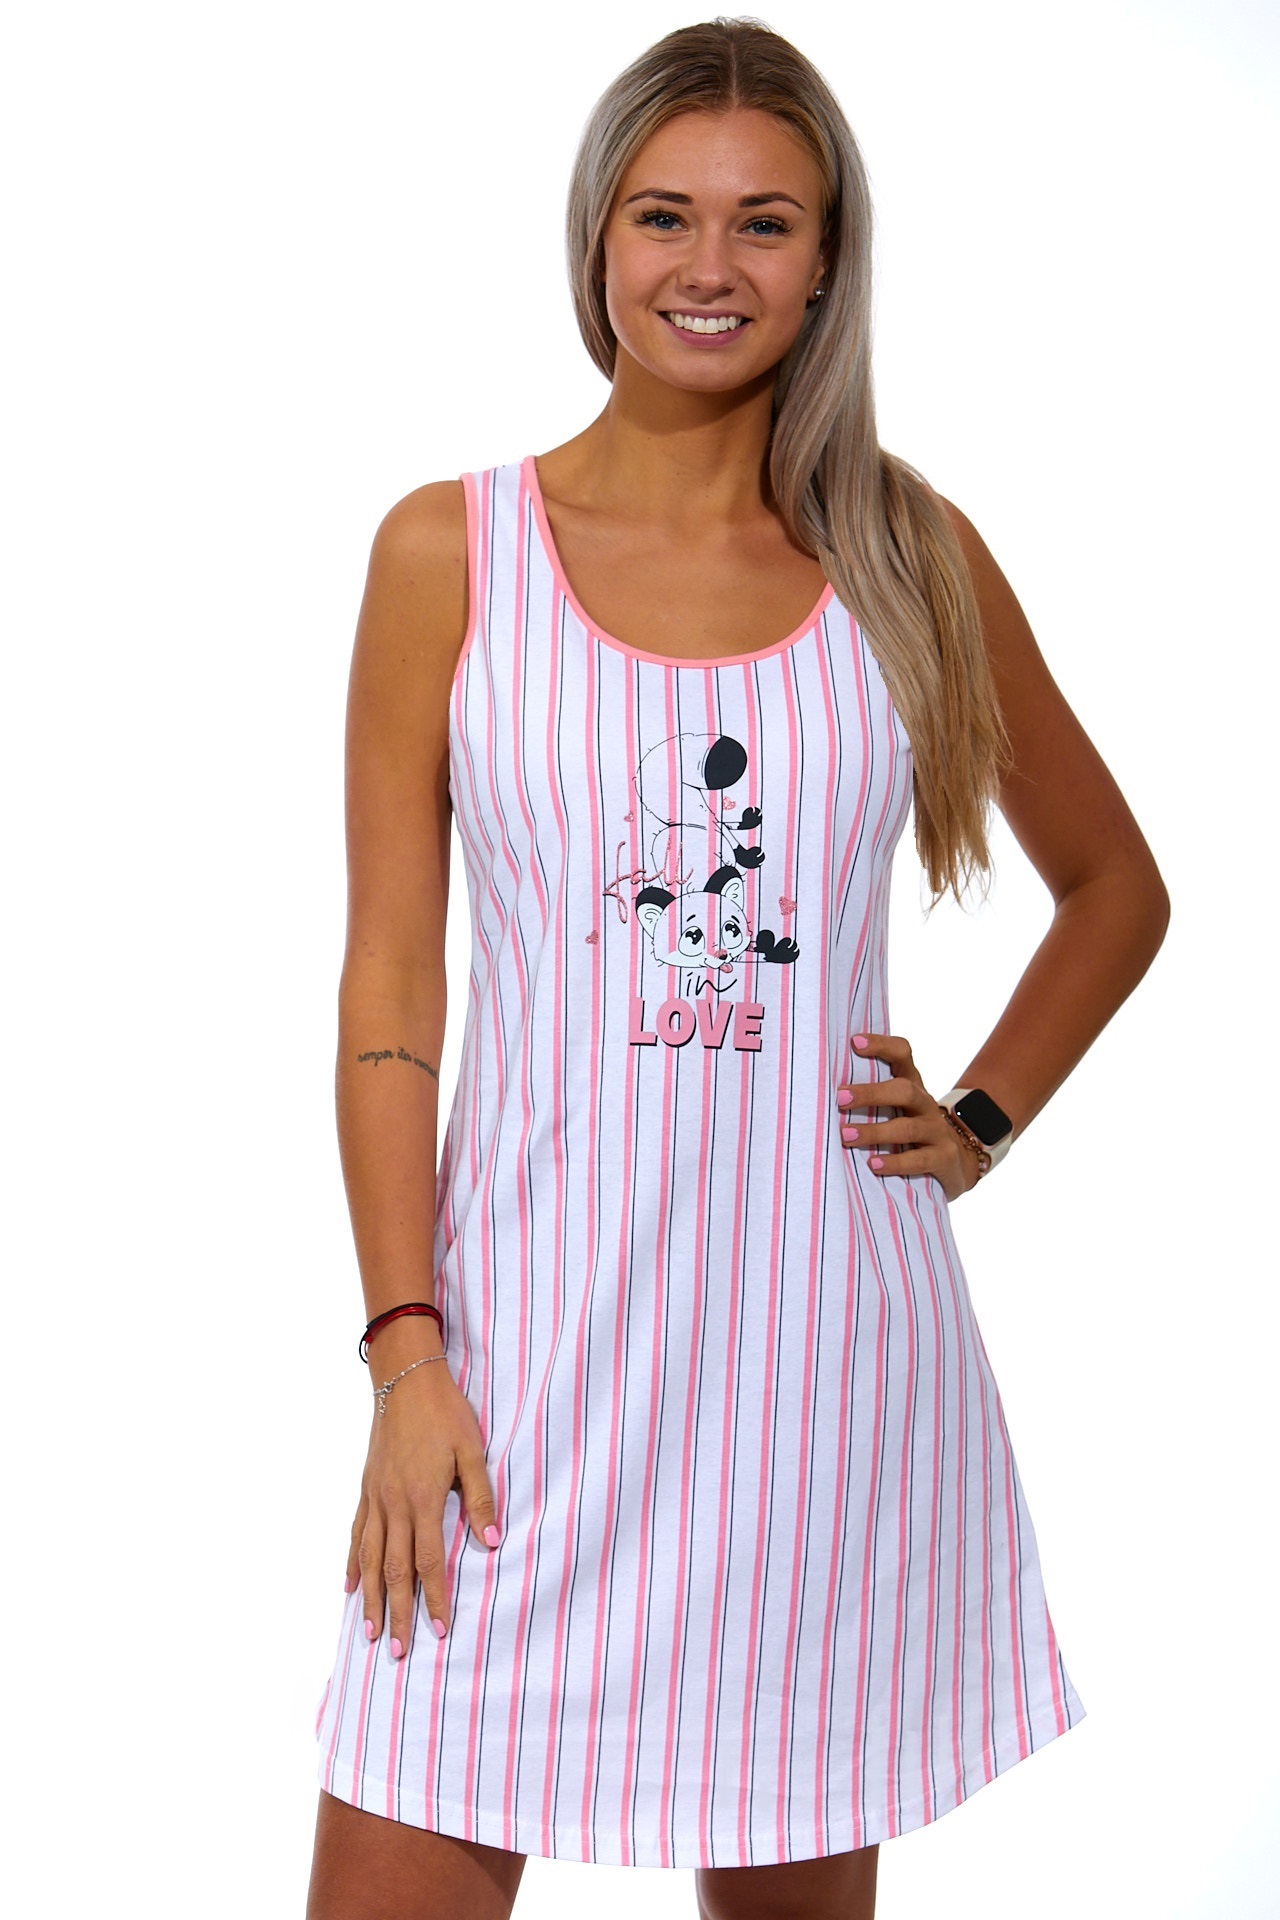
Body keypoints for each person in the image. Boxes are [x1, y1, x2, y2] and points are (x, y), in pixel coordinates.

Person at [305, 19, 1169, 1919]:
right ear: (595, 238)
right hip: (515, 1386)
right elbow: (390, 998)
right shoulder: (453, 551)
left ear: (829, 262)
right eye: (665, 216)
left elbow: (1115, 887)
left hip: (822, 1387)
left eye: (766, 222)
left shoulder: (906, 555)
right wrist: (405, 1355)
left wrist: (980, 1120)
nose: (712, 266)